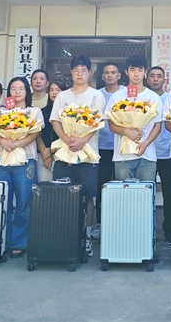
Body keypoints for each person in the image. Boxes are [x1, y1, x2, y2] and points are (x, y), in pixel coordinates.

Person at [51, 55, 106, 257]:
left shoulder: (96, 96)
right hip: (64, 154)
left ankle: (87, 237)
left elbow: (98, 123)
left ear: (89, 72)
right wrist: (67, 139)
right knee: (63, 194)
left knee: (88, 195)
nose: (80, 73)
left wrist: (82, 141)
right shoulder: (62, 96)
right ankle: (65, 238)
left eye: (84, 70)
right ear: (71, 72)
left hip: (88, 154)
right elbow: (55, 121)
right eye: (76, 70)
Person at [0, 76, 44, 259]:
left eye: (21, 88)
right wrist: (4, 141)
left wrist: (18, 143)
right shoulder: (1, 112)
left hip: (25, 160)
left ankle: (19, 242)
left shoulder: (34, 112)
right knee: (2, 201)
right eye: (13, 88)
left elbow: (35, 133)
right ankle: (1, 242)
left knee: (23, 202)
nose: (17, 92)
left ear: (27, 91)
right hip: (1, 159)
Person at [106, 55, 162, 182]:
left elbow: (157, 125)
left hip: (147, 155)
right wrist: (126, 131)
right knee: (125, 192)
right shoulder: (117, 96)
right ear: (126, 72)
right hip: (122, 156)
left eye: (140, 70)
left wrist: (146, 143)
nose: (136, 74)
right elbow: (111, 124)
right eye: (132, 69)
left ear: (145, 72)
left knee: (146, 192)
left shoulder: (153, 97)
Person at [92, 63, 124, 241]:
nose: (110, 75)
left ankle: (120, 222)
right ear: (102, 76)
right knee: (101, 186)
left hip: (123, 147)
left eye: (113, 72)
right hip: (102, 147)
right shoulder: (97, 95)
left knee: (122, 186)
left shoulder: (126, 93)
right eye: (106, 73)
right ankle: (100, 223)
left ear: (119, 75)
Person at [147, 66, 171, 245]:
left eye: (159, 76)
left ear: (165, 80)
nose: (155, 79)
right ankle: (146, 231)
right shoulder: (143, 98)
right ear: (147, 79)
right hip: (147, 153)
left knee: (169, 194)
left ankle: (169, 231)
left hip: (168, 154)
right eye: (152, 76)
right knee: (146, 194)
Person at [35, 80, 67, 182]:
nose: (54, 92)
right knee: (44, 185)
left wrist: (51, 151)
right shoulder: (42, 111)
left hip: (62, 153)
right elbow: (37, 134)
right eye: (51, 90)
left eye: (58, 90)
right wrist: (44, 153)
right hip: (43, 154)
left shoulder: (68, 113)